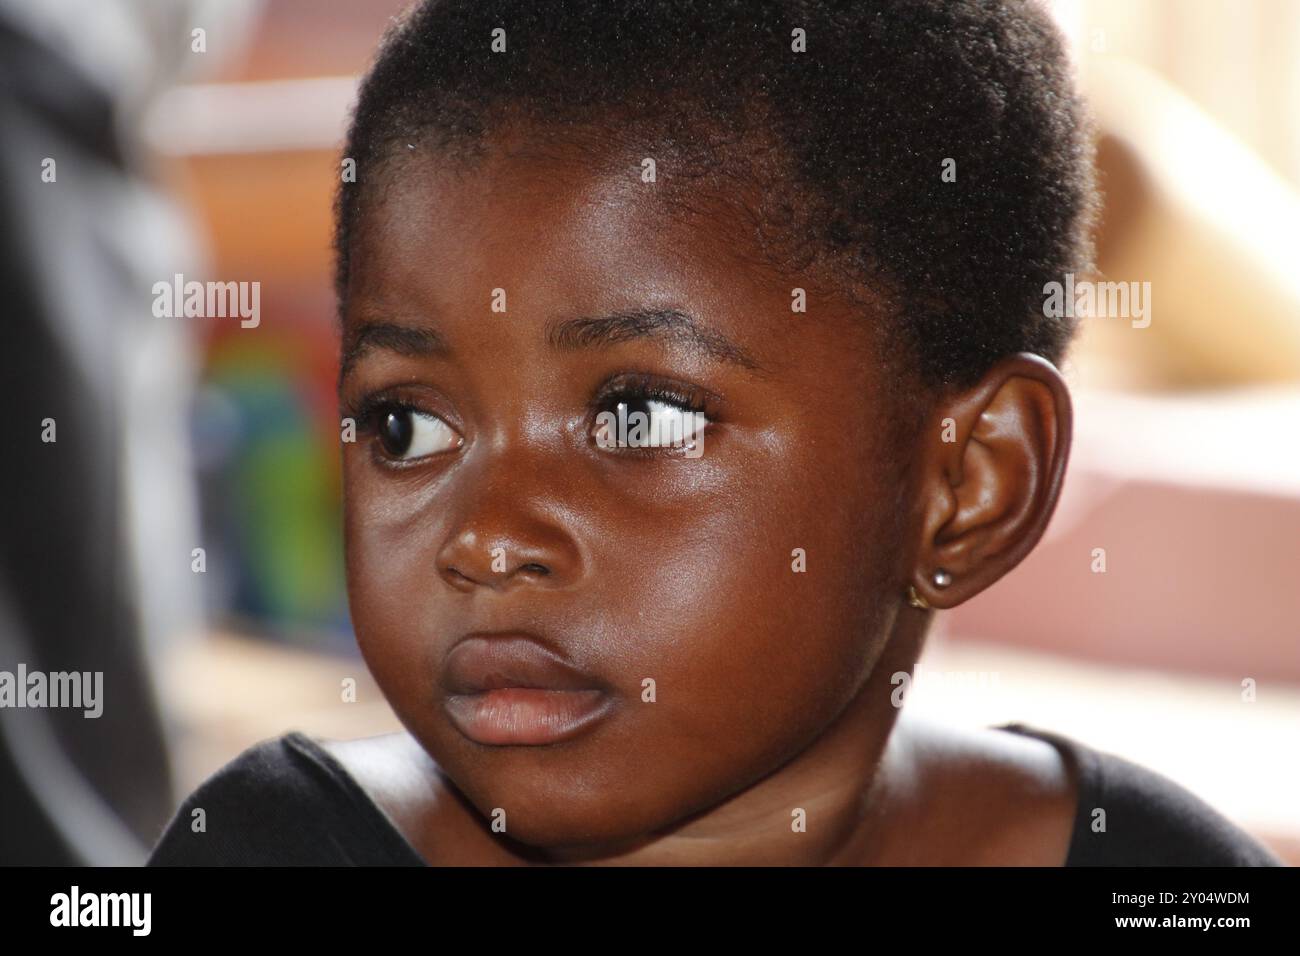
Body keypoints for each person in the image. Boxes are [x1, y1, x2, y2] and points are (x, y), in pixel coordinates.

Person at [148, 0, 1283, 866]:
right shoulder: (283, 849)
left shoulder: (1151, 870)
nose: (486, 538)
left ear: (969, 484)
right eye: (405, 423)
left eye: (640, 417)